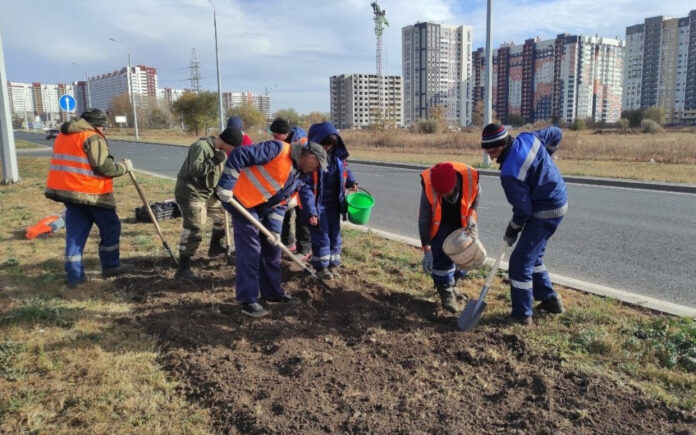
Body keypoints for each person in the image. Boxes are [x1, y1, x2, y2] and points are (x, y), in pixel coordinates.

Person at [215, 139, 327, 318]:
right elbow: (239, 154)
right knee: (251, 249)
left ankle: (273, 293)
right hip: (240, 199)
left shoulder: (299, 175)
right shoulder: (278, 149)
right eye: (317, 165)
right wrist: (226, 185)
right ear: (310, 157)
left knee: (273, 249)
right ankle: (248, 300)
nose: (317, 170)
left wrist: (274, 230)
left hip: (263, 207)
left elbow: (281, 203)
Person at [481, 123, 567, 325]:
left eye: (493, 151)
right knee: (532, 256)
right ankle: (550, 301)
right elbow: (556, 133)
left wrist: (513, 229)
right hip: (558, 199)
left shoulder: (510, 173)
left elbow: (523, 211)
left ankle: (522, 316)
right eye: (486, 151)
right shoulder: (529, 138)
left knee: (519, 263)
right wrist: (546, 157)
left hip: (545, 211)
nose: (491, 156)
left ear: (503, 144)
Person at [44, 108, 133, 287]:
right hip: (93, 194)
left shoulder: (63, 135)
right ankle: (110, 266)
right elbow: (104, 167)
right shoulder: (92, 137)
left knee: (75, 235)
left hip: (69, 193)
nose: (104, 130)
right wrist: (125, 167)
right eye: (104, 126)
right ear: (97, 124)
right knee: (111, 228)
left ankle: (74, 277)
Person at [174, 127, 243, 280]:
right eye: (233, 147)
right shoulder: (202, 147)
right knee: (195, 228)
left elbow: (214, 176)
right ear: (227, 142)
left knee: (224, 216)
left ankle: (215, 247)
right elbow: (195, 170)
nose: (233, 151)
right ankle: (183, 268)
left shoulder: (220, 152)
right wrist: (215, 160)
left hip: (207, 192)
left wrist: (220, 192)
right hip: (191, 192)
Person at [419, 162, 480, 313]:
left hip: (461, 219)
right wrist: (427, 250)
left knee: (465, 252)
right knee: (441, 253)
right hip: (440, 224)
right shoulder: (429, 185)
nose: (445, 196)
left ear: (455, 184)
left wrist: (471, 215)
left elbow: (477, 197)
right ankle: (445, 290)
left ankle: (454, 283)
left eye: (448, 192)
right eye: (442, 194)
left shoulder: (469, 177)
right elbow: (423, 220)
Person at [301, 122, 358, 280]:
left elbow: (345, 170)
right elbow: (304, 189)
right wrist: (311, 211)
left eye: (330, 145)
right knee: (321, 236)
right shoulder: (308, 159)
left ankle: (333, 265)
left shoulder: (337, 155)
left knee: (335, 235)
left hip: (334, 203)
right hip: (317, 205)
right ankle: (321, 268)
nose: (326, 148)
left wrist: (351, 182)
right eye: (324, 145)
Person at [268, 118, 312, 258]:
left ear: (284, 133)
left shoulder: (300, 143)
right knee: (284, 213)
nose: (274, 138)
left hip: (301, 183)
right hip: (287, 183)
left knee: (301, 216)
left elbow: (302, 165)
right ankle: (288, 243)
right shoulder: (285, 141)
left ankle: (304, 249)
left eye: (276, 135)